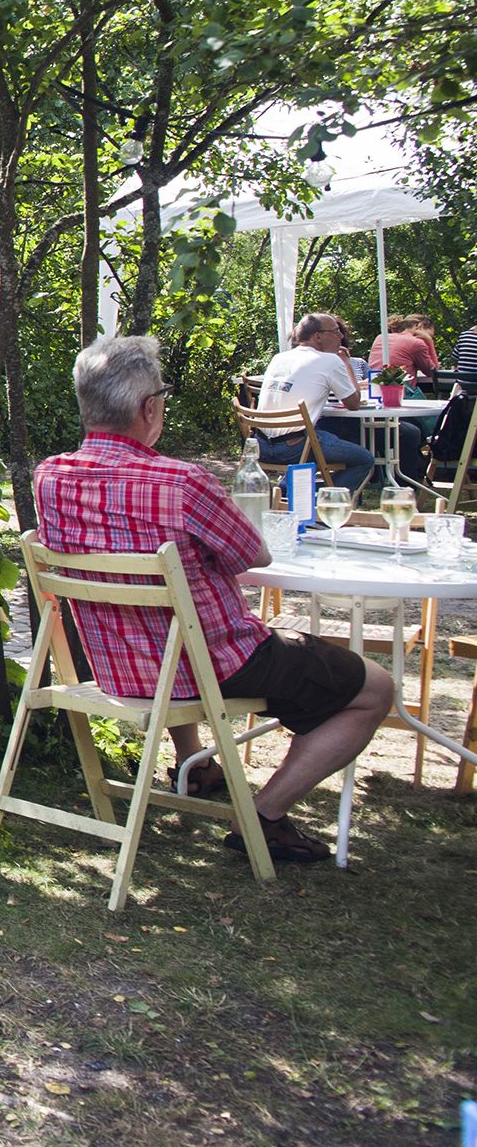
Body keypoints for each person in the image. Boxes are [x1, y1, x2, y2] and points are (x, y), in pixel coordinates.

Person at [37, 335, 392, 864]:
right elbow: (252, 554)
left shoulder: (51, 476)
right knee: (374, 688)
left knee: (172, 629)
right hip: (215, 664)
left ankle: (196, 764)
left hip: (121, 665)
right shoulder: (183, 483)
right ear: (149, 408)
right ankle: (265, 816)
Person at [255, 312, 377, 496]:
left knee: (324, 434)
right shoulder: (330, 360)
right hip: (295, 448)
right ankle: (318, 497)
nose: (341, 336)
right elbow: (353, 402)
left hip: (260, 446)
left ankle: (294, 491)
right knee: (364, 459)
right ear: (317, 336)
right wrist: (346, 363)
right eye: (335, 331)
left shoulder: (279, 358)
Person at [372, 314, 442, 388]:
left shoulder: (380, 338)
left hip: (374, 389)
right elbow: (432, 372)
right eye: (431, 334)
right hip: (401, 392)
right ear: (420, 326)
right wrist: (429, 341)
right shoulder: (416, 343)